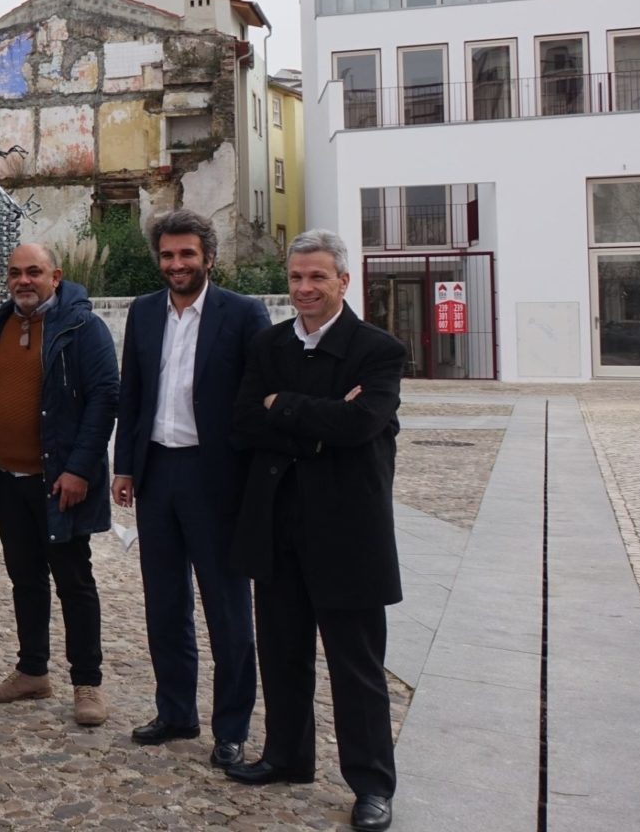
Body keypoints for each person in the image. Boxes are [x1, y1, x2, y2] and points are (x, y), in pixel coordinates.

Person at [227, 229, 407, 832]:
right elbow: (244, 423)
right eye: (296, 277)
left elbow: (361, 425)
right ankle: (287, 756)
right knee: (282, 652)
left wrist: (284, 405)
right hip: (277, 523)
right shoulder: (268, 343)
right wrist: (320, 422)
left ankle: (372, 785)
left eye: (317, 277)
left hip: (348, 531)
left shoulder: (378, 350)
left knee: (357, 668)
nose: (304, 288)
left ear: (343, 281)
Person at [113, 210, 271, 766]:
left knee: (227, 609)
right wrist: (124, 467)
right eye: (167, 254)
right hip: (157, 473)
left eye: (186, 254)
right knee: (165, 603)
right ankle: (176, 711)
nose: (176, 264)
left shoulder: (244, 314)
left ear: (209, 257)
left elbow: (257, 398)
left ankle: (231, 727)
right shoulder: (144, 311)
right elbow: (132, 393)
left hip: (215, 477)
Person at [0, 242, 119, 726]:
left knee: (74, 581)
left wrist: (79, 469)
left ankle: (87, 682)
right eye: (15, 273)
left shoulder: (82, 327)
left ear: (56, 276)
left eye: (34, 272)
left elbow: (104, 398)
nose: (23, 281)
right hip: (8, 480)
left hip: (60, 482)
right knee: (25, 579)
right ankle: (32, 671)